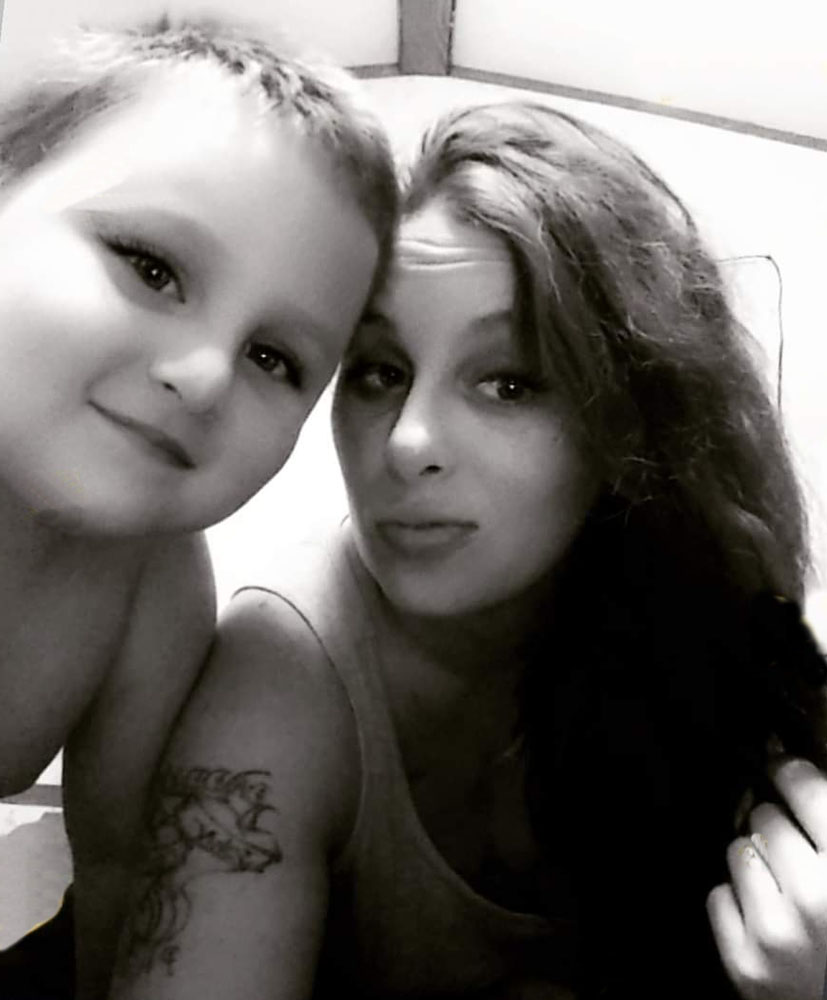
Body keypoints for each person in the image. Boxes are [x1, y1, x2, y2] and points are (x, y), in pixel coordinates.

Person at [108, 101, 826, 1000]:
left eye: (508, 382)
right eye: (379, 372)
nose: (408, 443)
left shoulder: (720, 625)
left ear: (629, 423)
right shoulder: (288, 665)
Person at [0, 13, 396, 999]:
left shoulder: (152, 585)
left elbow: (122, 875)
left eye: (274, 357)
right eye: (152, 266)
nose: (206, 373)